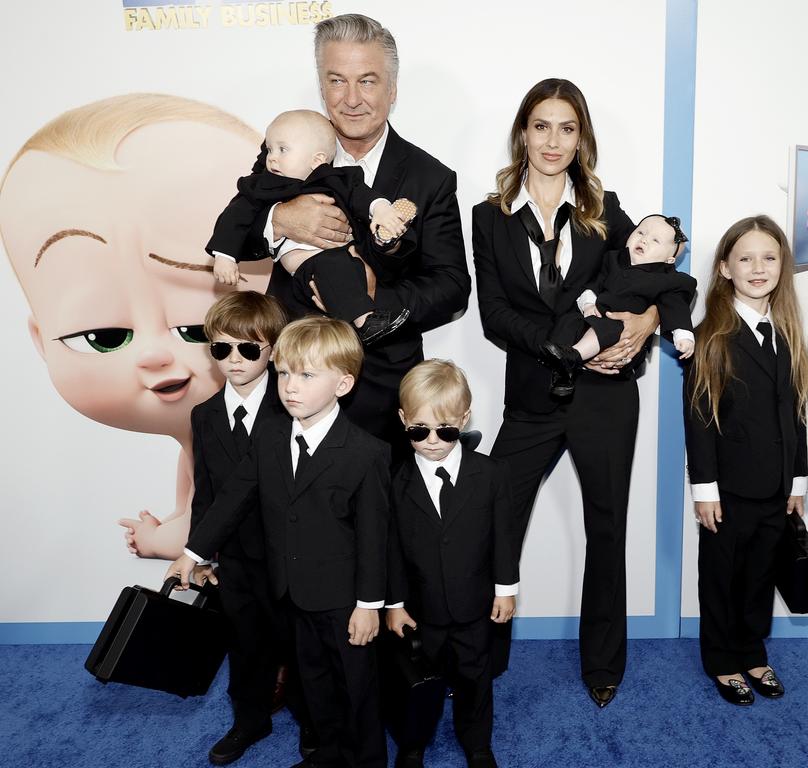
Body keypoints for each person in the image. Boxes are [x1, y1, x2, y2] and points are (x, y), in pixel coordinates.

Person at [0, 93, 270, 560]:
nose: (155, 355)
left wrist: (154, 539)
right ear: (40, 339)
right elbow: (199, 504)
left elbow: (209, 519)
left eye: (198, 329)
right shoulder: (203, 429)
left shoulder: (248, 422)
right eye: (104, 336)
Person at [472, 78, 660, 708]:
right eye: (542, 126)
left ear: (583, 139)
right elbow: (495, 315)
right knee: (493, 516)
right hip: (531, 394)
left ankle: (603, 665)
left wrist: (643, 326)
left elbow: (653, 279)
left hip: (605, 397)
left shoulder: (608, 211)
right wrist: (561, 344)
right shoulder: (488, 217)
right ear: (523, 132)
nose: (553, 141)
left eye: (567, 128)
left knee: (606, 528)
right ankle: (482, 657)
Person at [234, 13, 470, 460]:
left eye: (368, 81)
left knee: (376, 525)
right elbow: (237, 230)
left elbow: (452, 287)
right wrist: (281, 222)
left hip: (382, 387)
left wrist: (373, 296)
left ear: (392, 90)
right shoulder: (282, 152)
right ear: (321, 86)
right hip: (289, 378)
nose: (352, 98)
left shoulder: (430, 177)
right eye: (337, 80)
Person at [167, 315, 390, 768]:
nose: (291, 386)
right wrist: (192, 551)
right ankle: (327, 754)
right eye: (285, 372)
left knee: (356, 689)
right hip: (290, 591)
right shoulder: (269, 434)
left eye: (307, 376)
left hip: (345, 600)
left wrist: (369, 604)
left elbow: (374, 538)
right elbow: (232, 498)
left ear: (343, 385)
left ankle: (366, 761)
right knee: (314, 683)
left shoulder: (367, 453)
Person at [184, 291, 315, 764]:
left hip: (292, 555)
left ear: (274, 349)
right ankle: (249, 721)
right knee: (245, 643)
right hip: (236, 558)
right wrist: (200, 554)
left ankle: (312, 724)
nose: (234, 360)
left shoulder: (296, 409)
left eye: (248, 348)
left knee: (301, 645)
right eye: (221, 349)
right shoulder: (203, 416)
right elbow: (207, 490)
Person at [684, 215, 808, 706]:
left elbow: (796, 413)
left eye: (769, 257)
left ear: (782, 265)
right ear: (725, 268)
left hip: (777, 486)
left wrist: (798, 480)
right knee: (722, 576)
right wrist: (705, 491)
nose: (759, 268)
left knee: (760, 572)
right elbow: (699, 419)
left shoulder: (787, 333)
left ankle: (753, 651)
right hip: (728, 488)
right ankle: (721, 660)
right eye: (746, 258)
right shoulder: (709, 336)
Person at [384, 360, 517, 768]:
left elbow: (504, 538)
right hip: (421, 610)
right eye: (419, 430)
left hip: (474, 605)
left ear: (464, 418)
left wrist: (506, 589)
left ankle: (477, 744)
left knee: (475, 678)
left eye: (446, 430)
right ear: (403, 420)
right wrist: (394, 604)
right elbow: (389, 549)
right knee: (419, 682)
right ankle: (413, 744)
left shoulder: (491, 474)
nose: (433, 441)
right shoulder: (393, 482)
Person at [209, 109, 415, 345]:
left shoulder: (334, 178)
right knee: (331, 268)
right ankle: (365, 322)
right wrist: (224, 255)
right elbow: (235, 215)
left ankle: (385, 237)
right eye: (270, 149)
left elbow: (359, 193)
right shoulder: (263, 184)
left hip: (344, 256)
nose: (272, 157)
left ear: (317, 160)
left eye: (282, 150)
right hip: (305, 263)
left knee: (352, 265)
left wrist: (380, 208)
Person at [540, 213, 697, 395]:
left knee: (612, 326)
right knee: (569, 320)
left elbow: (675, 307)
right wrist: (588, 302)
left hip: (622, 335)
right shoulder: (612, 259)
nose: (644, 240)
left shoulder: (667, 280)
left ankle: (572, 356)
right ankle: (562, 371)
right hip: (595, 318)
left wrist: (683, 335)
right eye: (640, 232)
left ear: (670, 260)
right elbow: (594, 284)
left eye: (655, 240)